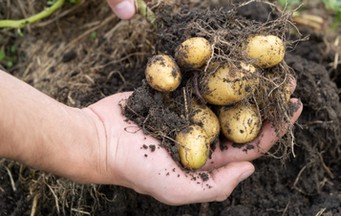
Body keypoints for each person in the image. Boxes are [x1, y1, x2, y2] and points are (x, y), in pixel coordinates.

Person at [0, 2, 303, 206]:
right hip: (187, 80)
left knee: (236, 116)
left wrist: (97, 142)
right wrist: (98, 143)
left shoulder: (213, 75)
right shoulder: (174, 75)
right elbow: (173, 75)